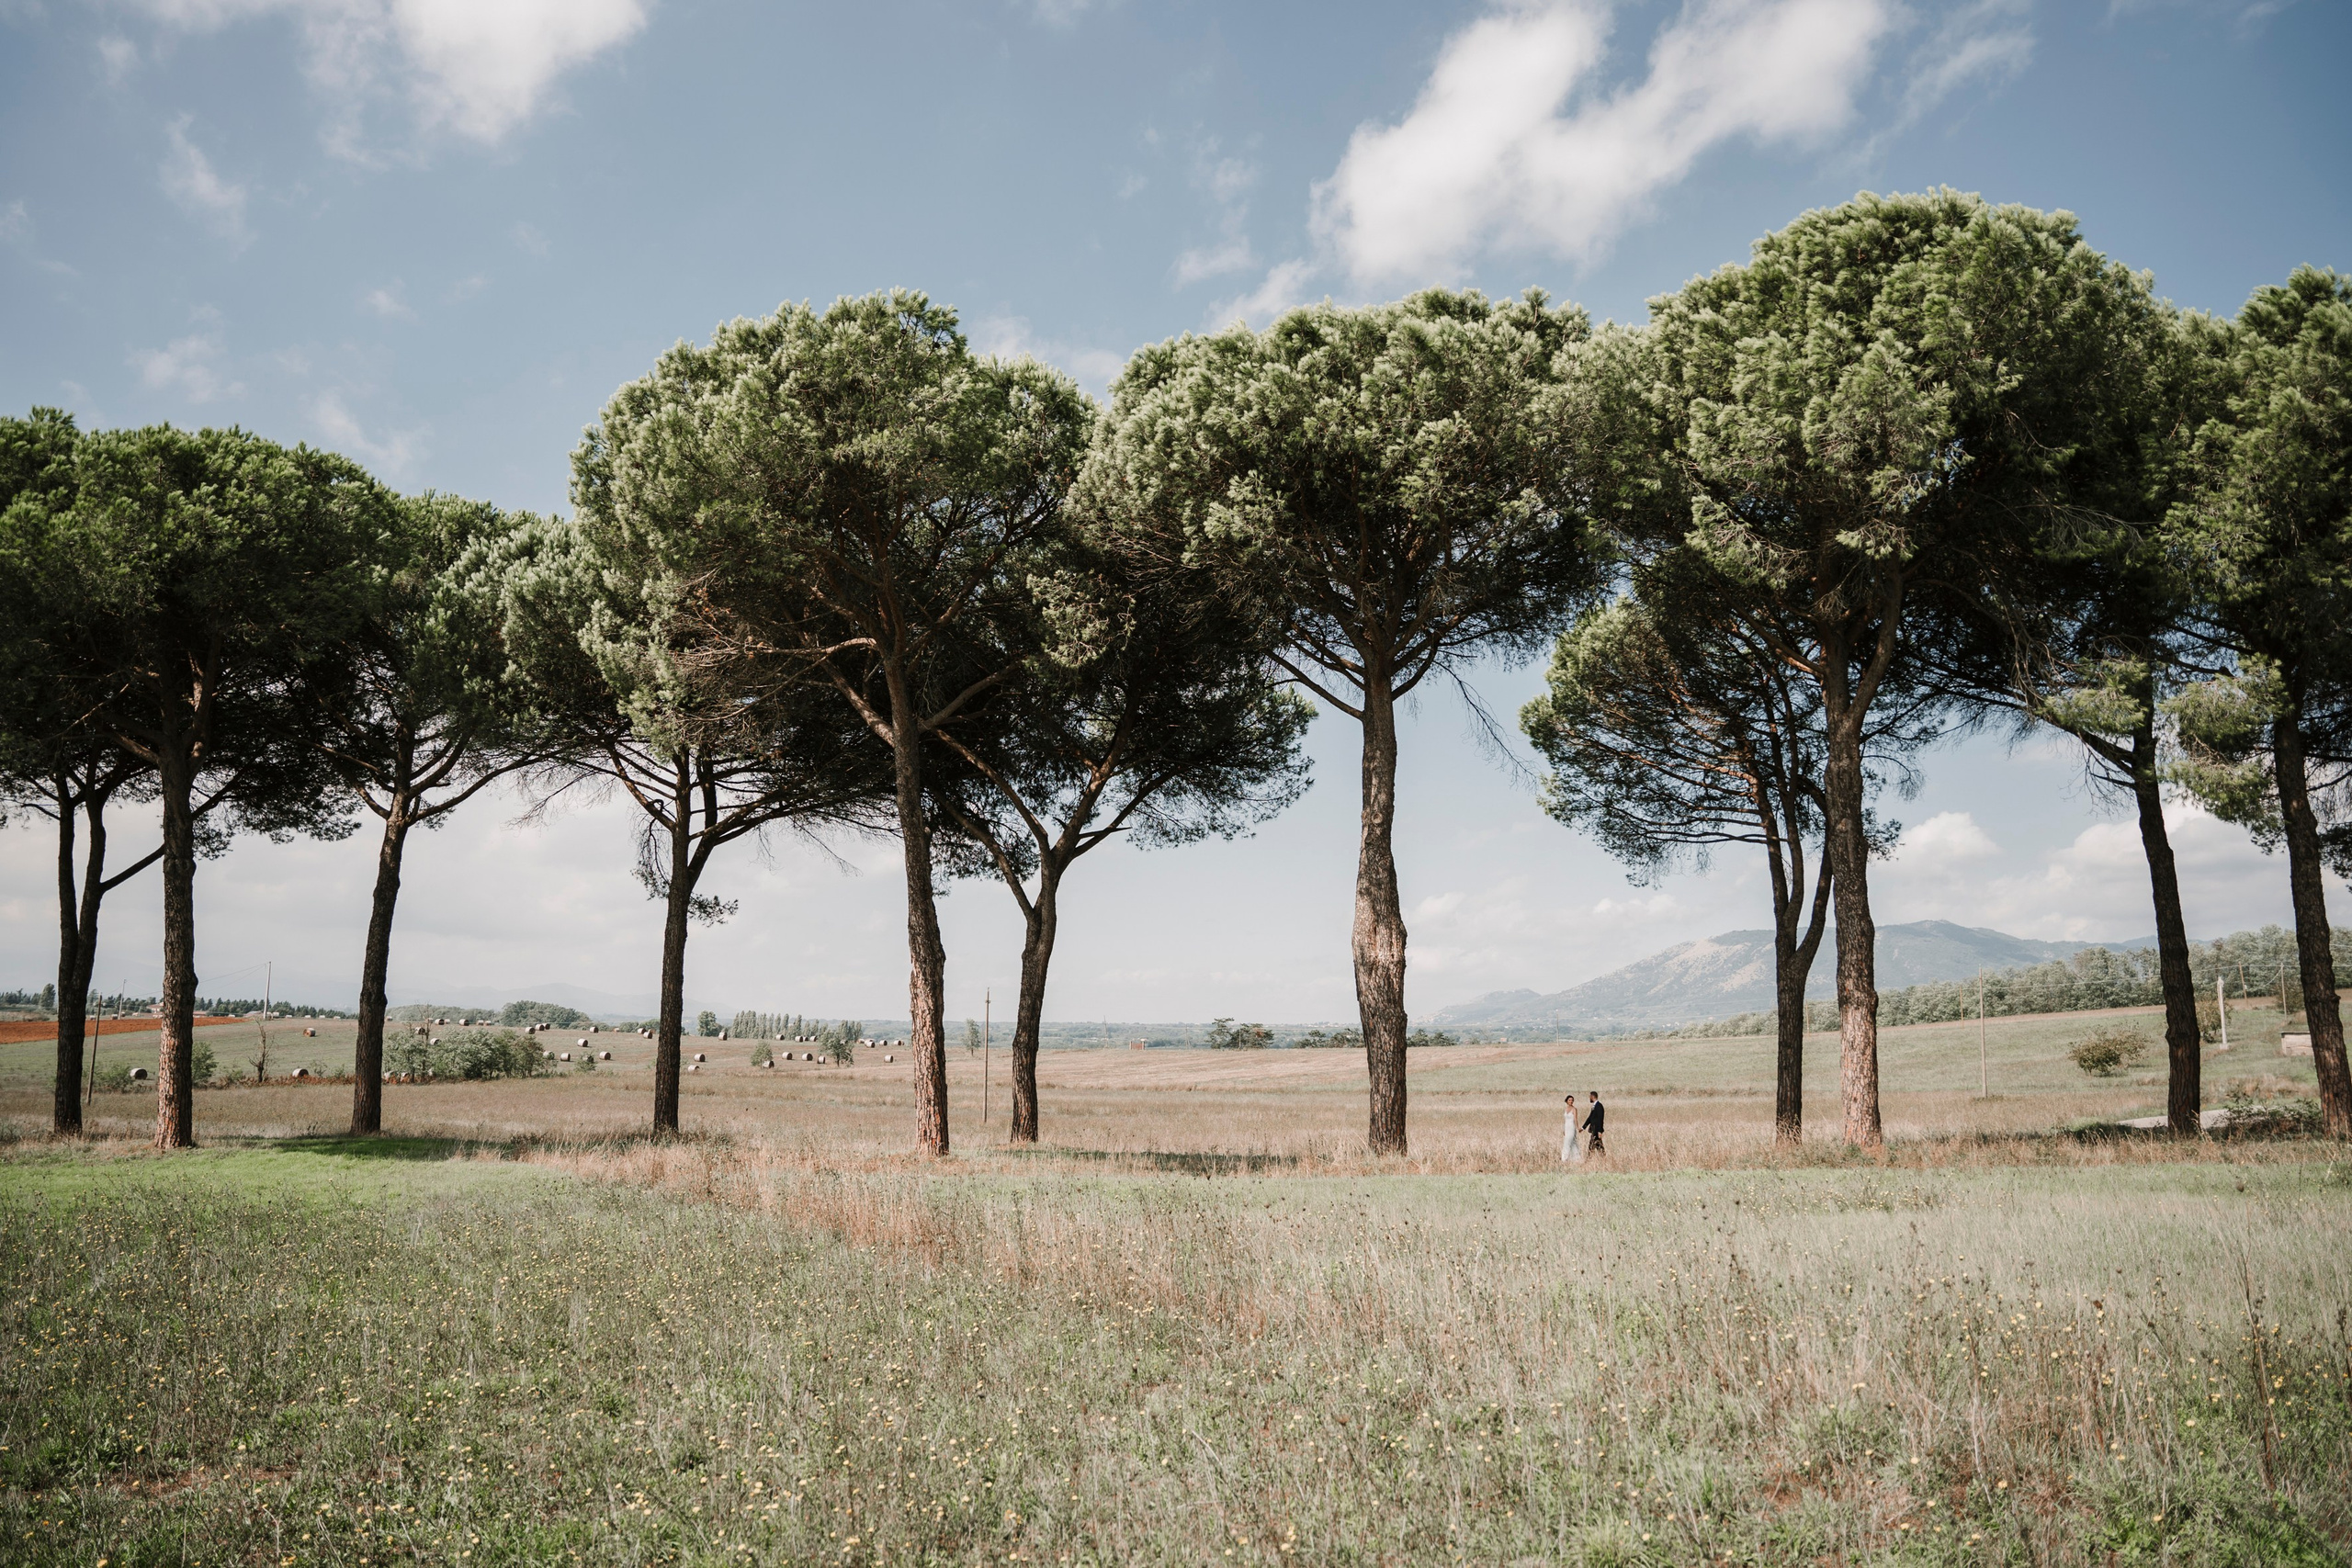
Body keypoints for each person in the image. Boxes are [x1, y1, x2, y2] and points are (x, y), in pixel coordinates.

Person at [1561, 1092, 1583, 1164]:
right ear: (1567, 1101)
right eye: (1569, 1100)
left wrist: (1578, 1127)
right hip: (1567, 1127)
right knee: (1572, 1143)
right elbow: (1564, 1120)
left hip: (1571, 1127)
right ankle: (1576, 1158)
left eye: (1572, 1100)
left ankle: (1564, 1158)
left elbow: (1575, 1119)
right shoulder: (1566, 1109)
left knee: (1568, 1142)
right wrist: (1563, 1129)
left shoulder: (1574, 1109)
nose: (1571, 1101)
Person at [1583, 1089, 1606, 1156]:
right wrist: (1583, 1127)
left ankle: (1589, 1159)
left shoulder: (1599, 1106)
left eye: (1590, 1097)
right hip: (1594, 1129)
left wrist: (1600, 1131)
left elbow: (1600, 1119)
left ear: (1592, 1097)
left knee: (1592, 1146)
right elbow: (1590, 1118)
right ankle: (1603, 1158)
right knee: (1598, 1146)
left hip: (1596, 1130)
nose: (1589, 1098)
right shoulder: (1595, 1106)